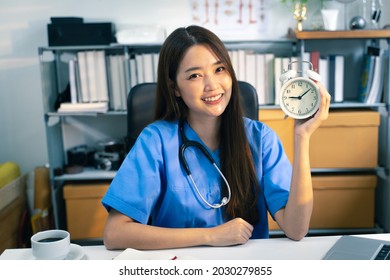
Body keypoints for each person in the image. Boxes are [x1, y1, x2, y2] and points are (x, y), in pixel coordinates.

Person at [102, 25, 331, 250]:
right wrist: (210, 236)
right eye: (195, 75)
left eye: (219, 69)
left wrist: (302, 136)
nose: (212, 85)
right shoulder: (155, 141)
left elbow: (296, 228)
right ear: (175, 88)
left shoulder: (261, 139)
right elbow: (115, 233)